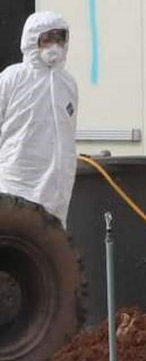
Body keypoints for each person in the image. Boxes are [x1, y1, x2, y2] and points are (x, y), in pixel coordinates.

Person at [0, 12, 78, 227]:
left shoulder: (67, 84)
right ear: (32, 40)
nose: (54, 45)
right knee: (15, 240)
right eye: (47, 38)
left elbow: (67, 135)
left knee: (50, 246)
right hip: (17, 181)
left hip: (56, 188)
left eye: (59, 38)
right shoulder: (12, 78)